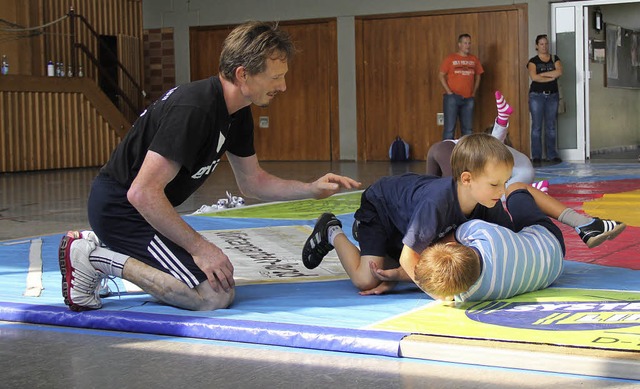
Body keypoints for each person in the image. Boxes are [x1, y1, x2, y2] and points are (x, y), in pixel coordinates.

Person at [58, 21, 361, 312]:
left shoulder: (237, 112)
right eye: (275, 77)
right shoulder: (195, 109)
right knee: (212, 296)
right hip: (122, 213)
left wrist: (311, 189)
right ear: (243, 75)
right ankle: (94, 257)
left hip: (143, 212)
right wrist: (201, 249)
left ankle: (102, 247)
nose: (283, 86)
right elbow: (142, 193)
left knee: (218, 286)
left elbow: (252, 182)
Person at [301, 134, 625, 296]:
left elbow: (506, 244)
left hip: (408, 214)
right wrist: (439, 295)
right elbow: (409, 258)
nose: (503, 191)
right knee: (367, 278)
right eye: (496, 184)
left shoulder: (487, 199)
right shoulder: (436, 204)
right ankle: (332, 230)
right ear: (467, 179)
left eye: (506, 183)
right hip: (381, 207)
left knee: (435, 262)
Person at [411, 182, 565, 302]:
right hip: (548, 240)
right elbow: (446, 240)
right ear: (452, 245)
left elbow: (443, 281)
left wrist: (398, 273)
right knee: (516, 189)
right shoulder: (483, 234)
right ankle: (578, 221)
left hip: (553, 270)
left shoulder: (470, 296)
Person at [427, 90, 541, 189]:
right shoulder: (495, 154)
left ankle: (532, 191)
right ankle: (502, 119)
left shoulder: (500, 157)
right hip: (449, 149)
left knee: (431, 189)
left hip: (439, 148)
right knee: (463, 192)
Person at [438, 33, 484, 140]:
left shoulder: (474, 59)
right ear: (459, 45)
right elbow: (441, 75)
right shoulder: (450, 58)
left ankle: (465, 156)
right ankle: (446, 155)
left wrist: (473, 93)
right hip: (452, 98)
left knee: (468, 130)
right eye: (465, 43)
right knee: (449, 129)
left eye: (469, 43)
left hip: (468, 99)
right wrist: (449, 92)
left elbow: (478, 76)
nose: (467, 45)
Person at [528, 34, 563, 164]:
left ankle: (552, 155)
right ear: (537, 46)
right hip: (536, 96)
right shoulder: (533, 61)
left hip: (552, 96)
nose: (544, 46)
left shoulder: (554, 58)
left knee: (551, 126)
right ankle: (536, 156)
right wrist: (550, 76)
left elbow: (559, 72)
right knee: (536, 126)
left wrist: (542, 74)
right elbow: (534, 77)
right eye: (541, 44)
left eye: (546, 44)